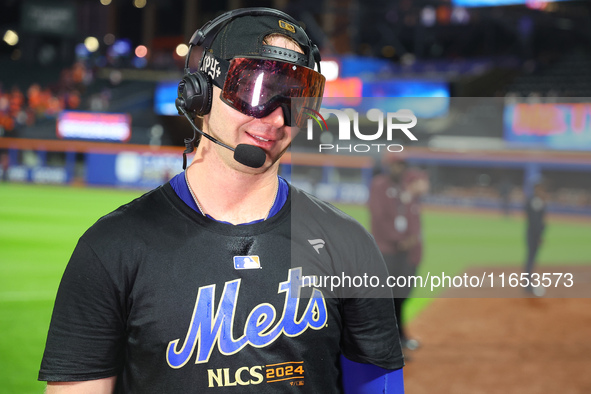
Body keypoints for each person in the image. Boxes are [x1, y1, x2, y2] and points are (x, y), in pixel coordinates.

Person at [38, 8, 404, 393]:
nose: (278, 119)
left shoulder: (349, 246)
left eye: (296, 99)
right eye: (257, 89)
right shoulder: (110, 249)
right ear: (200, 91)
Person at [368, 153, 421, 352]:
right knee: (387, 297)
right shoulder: (379, 184)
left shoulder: (402, 188)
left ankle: (400, 336)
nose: (400, 168)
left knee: (399, 296)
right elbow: (379, 217)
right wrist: (399, 240)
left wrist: (409, 240)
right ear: (389, 166)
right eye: (397, 164)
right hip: (386, 250)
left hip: (402, 252)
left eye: (403, 165)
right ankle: (388, 342)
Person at [524, 181, 547, 297]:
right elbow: (536, 222)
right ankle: (527, 284)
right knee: (531, 259)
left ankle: (527, 283)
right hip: (533, 235)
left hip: (532, 234)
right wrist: (539, 236)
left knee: (531, 259)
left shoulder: (534, 200)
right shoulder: (535, 201)